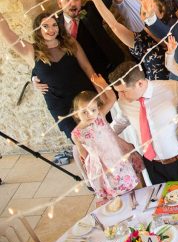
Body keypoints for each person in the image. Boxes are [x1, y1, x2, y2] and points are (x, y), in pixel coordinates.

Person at [0, 11, 103, 143]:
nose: (51, 29)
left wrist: (101, 91)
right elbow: (7, 33)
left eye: (54, 25)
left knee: (100, 133)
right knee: (79, 141)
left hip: (84, 97)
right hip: (60, 105)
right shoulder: (31, 51)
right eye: (45, 26)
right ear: (38, 29)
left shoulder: (70, 43)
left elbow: (87, 68)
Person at [112, 62, 178, 184]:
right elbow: (118, 124)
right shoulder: (124, 103)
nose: (120, 96)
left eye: (123, 91)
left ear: (140, 83)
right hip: (154, 166)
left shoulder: (173, 88)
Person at [71, 89, 143, 206]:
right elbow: (82, 152)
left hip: (118, 155)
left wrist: (102, 84)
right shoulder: (76, 134)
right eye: (84, 112)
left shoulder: (100, 116)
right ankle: (121, 208)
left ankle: (140, 201)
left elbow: (112, 98)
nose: (90, 114)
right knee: (113, 189)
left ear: (98, 109)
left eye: (93, 110)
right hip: (102, 164)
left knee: (133, 180)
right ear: (76, 114)